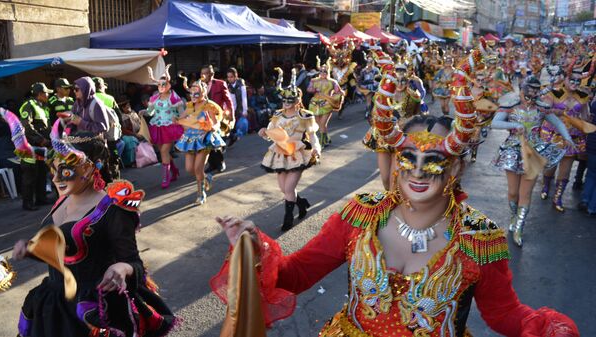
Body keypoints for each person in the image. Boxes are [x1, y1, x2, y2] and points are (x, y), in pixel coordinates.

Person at [211, 43, 579, 336]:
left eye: (434, 160)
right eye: (407, 158)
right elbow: (296, 275)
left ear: (458, 166)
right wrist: (253, 246)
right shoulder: (360, 216)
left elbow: (504, 314)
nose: (418, 172)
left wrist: (548, 329)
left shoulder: (479, 239)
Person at [11, 120, 176, 336]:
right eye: (54, 170)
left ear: (94, 166)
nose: (57, 179)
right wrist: (30, 250)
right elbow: (62, 252)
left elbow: (134, 263)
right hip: (53, 304)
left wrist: (122, 268)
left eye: (67, 171)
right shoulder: (62, 200)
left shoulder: (113, 209)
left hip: (92, 309)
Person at [492, 76, 573, 247]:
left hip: (535, 151)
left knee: (525, 193)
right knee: (513, 192)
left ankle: (519, 227)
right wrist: (512, 127)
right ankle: (513, 217)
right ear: (522, 90)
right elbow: (495, 123)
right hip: (513, 149)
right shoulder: (510, 105)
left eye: (536, 93)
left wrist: (567, 137)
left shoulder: (542, 108)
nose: (532, 97)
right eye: (529, 93)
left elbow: (557, 122)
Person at [258, 68, 320, 231]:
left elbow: (313, 135)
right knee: (284, 189)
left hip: (297, 153)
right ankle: (302, 203)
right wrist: (264, 132)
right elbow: (272, 134)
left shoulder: (305, 115)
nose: (286, 103)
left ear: (297, 101)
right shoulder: (278, 115)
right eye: (284, 100)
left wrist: (316, 148)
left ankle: (287, 219)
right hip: (280, 153)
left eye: (290, 101)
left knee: (289, 189)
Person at [363, 49, 426, 191]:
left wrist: (407, 121)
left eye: (403, 80)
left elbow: (421, 117)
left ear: (408, 80)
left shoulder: (413, 97)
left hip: (401, 138)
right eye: (397, 79)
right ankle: (390, 199)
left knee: (394, 178)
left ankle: (394, 205)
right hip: (383, 137)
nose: (400, 83)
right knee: (385, 179)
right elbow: (374, 112)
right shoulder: (384, 94)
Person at [539, 69, 590, 212]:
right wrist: (556, 111)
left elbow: (586, 116)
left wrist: (584, 122)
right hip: (553, 136)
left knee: (565, 170)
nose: (574, 83)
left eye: (578, 81)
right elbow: (543, 111)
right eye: (572, 79)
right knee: (550, 166)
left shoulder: (583, 96)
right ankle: (546, 186)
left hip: (572, 137)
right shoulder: (553, 93)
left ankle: (558, 197)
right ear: (565, 79)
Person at [175, 80, 225, 205]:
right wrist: (173, 117)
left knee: (198, 168)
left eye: (196, 94)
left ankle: (200, 193)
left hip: (204, 139)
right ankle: (206, 177)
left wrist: (214, 127)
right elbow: (181, 118)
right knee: (189, 169)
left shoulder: (209, 105)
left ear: (203, 93)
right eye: (191, 93)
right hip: (190, 139)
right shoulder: (190, 106)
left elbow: (216, 122)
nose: (193, 96)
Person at [143, 65, 185, 189]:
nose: (161, 87)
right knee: (163, 152)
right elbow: (150, 112)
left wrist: (180, 120)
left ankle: (165, 177)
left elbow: (182, 111)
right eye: (159, 85)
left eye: (164, 84)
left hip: (170, 127)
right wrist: (143, 112)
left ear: (168, 85)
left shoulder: (174, 97)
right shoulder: (154, 98)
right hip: (157, 126)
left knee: (163, 151)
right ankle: (174, 170)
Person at [67, 77, 115, 183]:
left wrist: (81, 123)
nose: (74, 92)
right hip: (82, 149)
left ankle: (111, 198)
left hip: (97, 150)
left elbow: (103, 127)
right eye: (74, 89)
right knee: (87, 181)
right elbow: (71, 122)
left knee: (103, 178)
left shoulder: (96, 104)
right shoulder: (77, 104)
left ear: (85, 89)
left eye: (77, 89)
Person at [18, 82, 52, 210]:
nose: (48, 95)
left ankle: (41, 199)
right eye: (46, 93)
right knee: (30, 174)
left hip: (42, 146)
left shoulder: (43, 107)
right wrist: (40, 139)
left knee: (42, 172)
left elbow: (45, 126)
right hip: (29, 147)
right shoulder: (29, 105)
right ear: (40, 94)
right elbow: (26, 126)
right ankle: (27, 203)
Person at [201, 65, 234, 174]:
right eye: (202, 73)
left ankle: (220, 163)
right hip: (204, 118)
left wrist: (231, 115)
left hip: (217, 118)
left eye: (206, 73)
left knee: (216, 141)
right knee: (207, 142)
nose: (203, 75)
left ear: (212, 74)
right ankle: (212, 164)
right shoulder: (199, 85)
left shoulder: (220, 84)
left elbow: (228, 100)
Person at [307, 58, 344, 148]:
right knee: (318, 124)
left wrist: (333, 98)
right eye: (321, 71)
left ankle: (322, 142)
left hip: (327, 104)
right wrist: (314, 89)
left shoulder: (333, 82)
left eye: (325, 71)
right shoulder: (313, 80)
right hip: (314, 104)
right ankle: (326, 138)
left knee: (323, 124)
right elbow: (308, 89)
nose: (323, 73)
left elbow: (339, 92)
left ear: (328, 72)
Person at [92, 77, 123, 180]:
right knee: (113, 158)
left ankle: (101, 184)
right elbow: (118, 117)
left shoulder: (88, 99)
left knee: (98, 160)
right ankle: (115, 181)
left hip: (95, 136)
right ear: (102, 86)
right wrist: (119, 132)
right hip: (110, 135)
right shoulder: (109, 98)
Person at [579, 93, 596, 216]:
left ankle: (585, 200)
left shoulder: (595, 101)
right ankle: (592, 207)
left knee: (591, 173)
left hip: (592, 140)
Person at [118, 96, 142, 167]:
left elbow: (140, 123)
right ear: (123, 108)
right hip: (127, 135)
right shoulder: (122, 117)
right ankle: (131, 162)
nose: (129, 107)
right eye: (127, 106)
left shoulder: (133, 113)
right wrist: (135, 135)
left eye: (129, 105)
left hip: (138, 133)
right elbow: (123, 130)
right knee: (131, 140)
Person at [226, 67, 248, 145]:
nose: (229, 79)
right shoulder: (227, 86)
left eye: (231, 77)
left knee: (239, 125)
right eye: (228, 77)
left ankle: (235, 136)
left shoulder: (241, 85)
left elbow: (244, 97)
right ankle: (232, 137)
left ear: (236, 76)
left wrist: (245, 110)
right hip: (231, 108)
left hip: (240, 108)